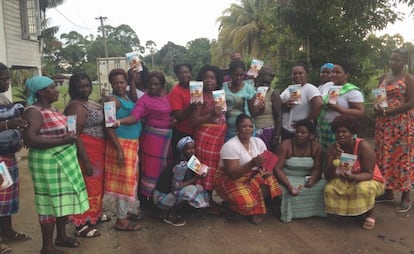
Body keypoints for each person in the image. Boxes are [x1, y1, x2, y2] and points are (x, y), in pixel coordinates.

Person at [22, 76, 89, 254]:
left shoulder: (51, 108)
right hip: (48, 162)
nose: (57, 90)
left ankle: (61, 236)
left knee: (62, 199)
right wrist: (62, 140)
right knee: (48, 202)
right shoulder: (34, 111)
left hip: (63, 160)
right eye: (53, 87)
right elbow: (30, 138)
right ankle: (47, 247)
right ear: (42, 92)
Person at [117, 71, 172, 206]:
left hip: (167, 140)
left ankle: (163, 197)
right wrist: (119, 121)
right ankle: (149, 201)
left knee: (165, 169)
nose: (153, 87)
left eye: (156, 84)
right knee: (151, 169)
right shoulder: (144, 100)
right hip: (153, 139)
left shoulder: (165, 95)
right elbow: (135, 117)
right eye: (150, 84)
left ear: (162, 85)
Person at [215, 114, 282, 225]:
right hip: (229, 180)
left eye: (250, 126)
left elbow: (267, 165)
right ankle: (231, 207)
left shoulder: (258, 142)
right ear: (237, 128)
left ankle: (253, 210)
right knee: (247, 204)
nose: (247, 129)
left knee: (270, 180)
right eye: (244, 126)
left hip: (250, 176)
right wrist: (251, 164)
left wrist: (267, 172)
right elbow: (232, 174)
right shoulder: (230, 146)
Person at [64, 73, 108, 238]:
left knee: (96, 185)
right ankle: (81, 224)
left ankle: (94, 215)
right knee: (87, 186)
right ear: (73, 88)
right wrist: (86, 160)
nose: (85, 89)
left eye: (87, 85)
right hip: (86, 151)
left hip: (98, 149)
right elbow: (73, 134)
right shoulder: (75, 107)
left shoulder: (89, 102)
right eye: (80, 86)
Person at [324, 115, 384, 229]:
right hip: (345, 177)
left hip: (367, 178)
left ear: (352, 133)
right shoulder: (332, 149)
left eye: (344, 131)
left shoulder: (363, 146)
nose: (340, 134)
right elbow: (328, 176)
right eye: (337, 132)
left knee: (363, 188)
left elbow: (369, 173)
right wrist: (334, 160)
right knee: (330, 188)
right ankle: (347, 212)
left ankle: (370, 214)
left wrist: (353, 177)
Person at [374, 48, 414, 212]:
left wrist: (389, 112)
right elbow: (379, 97)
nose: (393, 63)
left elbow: (411, 102)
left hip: (401, 124)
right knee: (384, 155)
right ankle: (387, 191)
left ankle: (405, 196)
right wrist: (377, 106)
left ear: (404, 62)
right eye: (391, 59)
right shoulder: (384, 77)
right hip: (384, 125)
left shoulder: (409, 79)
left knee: (402, 158)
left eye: (397, 60)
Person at [104, 69, 142, 231]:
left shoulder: (125, 97)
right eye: (116, 82)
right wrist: (118, 150)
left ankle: (125, 212)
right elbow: (108, 125)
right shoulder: (112, 100)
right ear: (111, 84)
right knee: (123, 182)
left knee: (129, 179)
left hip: (131, 143)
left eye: (122, 82)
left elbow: (135, 100)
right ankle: (121, 219)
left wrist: (132, 80)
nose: (119, 85)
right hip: (121, 144)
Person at [0, 63, 31, 254]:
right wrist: (9, 124)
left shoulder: (3, 97)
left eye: (7, 79)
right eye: (3, 79)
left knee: (6, 199)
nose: (7, 82)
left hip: (8, 157)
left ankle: (7, 231)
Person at [274, 119, 327, 223]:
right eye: (297, 132)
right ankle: (288, 213)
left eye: (303, 133)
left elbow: (317, 168)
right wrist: (289, 186)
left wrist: (313, 179)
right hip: (287, 177)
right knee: (288, 190)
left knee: (324, 184)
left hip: (306, 177)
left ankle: (315, 211)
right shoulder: (286, 145)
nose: (298, 135)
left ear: (311, 135)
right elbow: (278, 169)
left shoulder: (316, 147)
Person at [191, 65, 226, 215]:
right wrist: (212, 114)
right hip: (206, 136)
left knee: (216, 168)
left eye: (212, 77)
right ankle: (207, 200)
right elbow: (194, 121)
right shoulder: (199, 96)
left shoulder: (219, 94)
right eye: (206, 77)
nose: (209, 80)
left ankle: (209, 199)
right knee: (206, 168)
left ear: (217, 79)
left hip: (219, 135)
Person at [153, 136, 209, 226]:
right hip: (161, 197)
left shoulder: (192, 161)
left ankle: (180, 209)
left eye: (193, 148)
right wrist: (195, 179)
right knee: (191, 190)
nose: (191, 151)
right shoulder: (180, 165)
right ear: (182, 151)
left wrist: (202, 173)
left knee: (199, 188)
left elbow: (203, 171)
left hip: (170, 193)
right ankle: (169, 213)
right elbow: (176, 187)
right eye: (188, 149)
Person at [317, 62, 365, 149]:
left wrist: (338, 108)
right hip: (324, 129)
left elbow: (360, 113)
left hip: (342, 131)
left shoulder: (352, 91)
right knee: (326, 156)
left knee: (341, 156)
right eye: (332, 72)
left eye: (338, 72)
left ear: (346, 75)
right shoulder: (327, 86)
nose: (333, 75)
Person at [280, 62, 323, 140]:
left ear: (306, 74)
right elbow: (279, 105)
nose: (297, 76)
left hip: (301, 132)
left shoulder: (309, 88)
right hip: (286, 130)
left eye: (300, 73)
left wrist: (306, 121)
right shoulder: (288, 89)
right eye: (294, 74)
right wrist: (285, 105)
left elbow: (319, 104)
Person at [223, 60, 258, 140]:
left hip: (246, 130)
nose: (238, 78)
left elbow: (253, 111)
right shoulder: (223, 88)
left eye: (241, 75)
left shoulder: (249, 89)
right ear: (230, 74)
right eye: (235, 75)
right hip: (229, 130)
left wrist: (259, 106)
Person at [168, 63, 195, 162]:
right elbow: (178, 116)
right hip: (182, 133)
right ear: (177, 76)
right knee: (181, 162)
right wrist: (191, 108)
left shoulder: (196, 88)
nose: (184, 75)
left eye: (186, 72)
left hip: (196, 131)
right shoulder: (176, 92)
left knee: (194, 162)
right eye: (180, 73)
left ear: (191, 73)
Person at [253, 66, 282, 150]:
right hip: (252, 132)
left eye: (267, 83)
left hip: (268, 132)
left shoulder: (273, 94)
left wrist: (276, 137)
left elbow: (279, 117)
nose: (264, 85)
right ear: (257, 79)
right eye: (262, 82)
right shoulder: (251, 92)